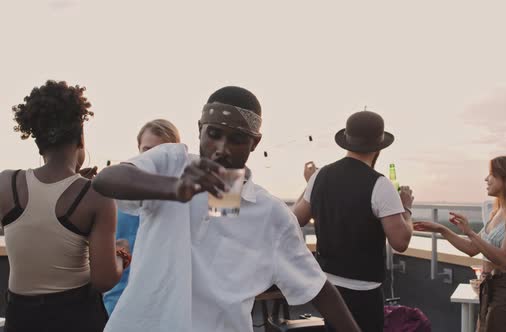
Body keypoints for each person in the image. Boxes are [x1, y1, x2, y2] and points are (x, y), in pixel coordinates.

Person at [93, 86, 361, 332]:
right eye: (213, 134)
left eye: (237, 139)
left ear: (255, 143)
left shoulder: (270, 214)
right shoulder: (171, 163)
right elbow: (106, 181)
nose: (221, 149)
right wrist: (175, 188)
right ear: (199, 129)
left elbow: (320, 291)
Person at [0, 80, 130, 332]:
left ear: (37, 139)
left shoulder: (6, 183)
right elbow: (103, 280)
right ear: (80, 137)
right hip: (76, 318)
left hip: (20, 319)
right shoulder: (96, 195)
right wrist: (121, 255)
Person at [292, 110, 415, 332]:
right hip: (364, 291)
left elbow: (295, 219)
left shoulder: (320, 176)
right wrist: (406, 208)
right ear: (379, 147)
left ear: (347, 142)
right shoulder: (380, 185)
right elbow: (400, 242)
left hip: (328, 287)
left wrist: (310, 184)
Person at [414, 156, 506, 332]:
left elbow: (505, 259)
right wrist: (442, 230)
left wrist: (470, 232)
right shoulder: (497, 212)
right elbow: (472, 249)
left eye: (492, 174)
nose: (486, 179)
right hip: (490, 288)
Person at [102, 119, 181, 315]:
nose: (151, 159)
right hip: (121, 304)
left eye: (159, 152)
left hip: (168, 306)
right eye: (146, 150)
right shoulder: (116, 198)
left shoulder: (186, 199)